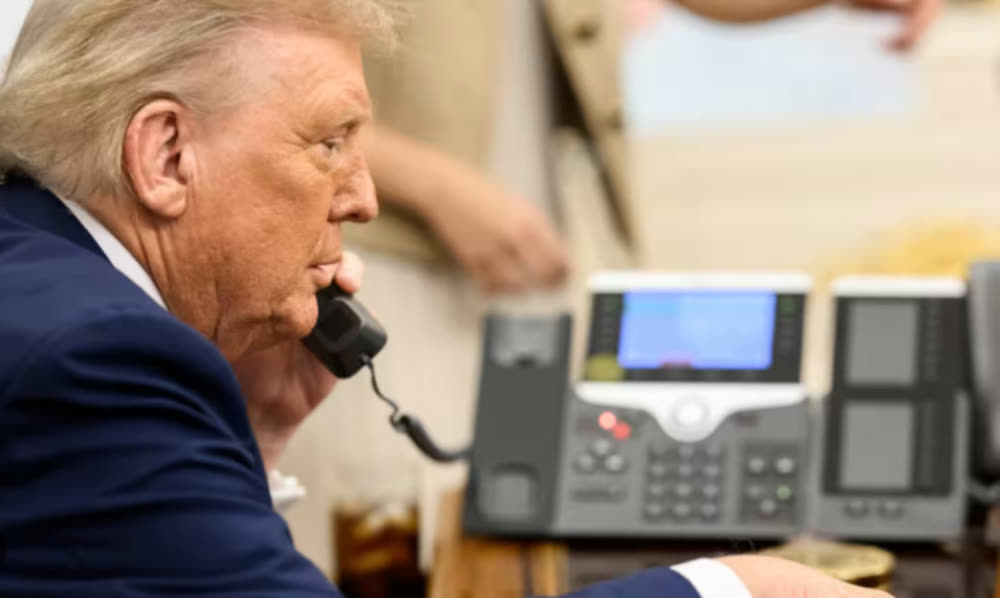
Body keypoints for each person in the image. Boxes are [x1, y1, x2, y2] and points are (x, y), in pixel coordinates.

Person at [0, 2, 928, 597]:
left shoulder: (45, 271)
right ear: (166, 155)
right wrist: (732, 588)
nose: (361, 198)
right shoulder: (98, 360)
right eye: (330, 143)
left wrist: (260, 437)